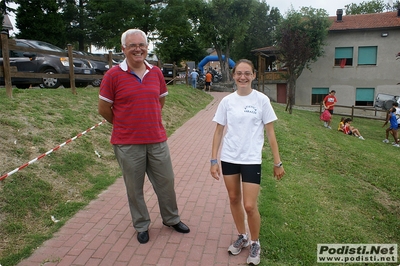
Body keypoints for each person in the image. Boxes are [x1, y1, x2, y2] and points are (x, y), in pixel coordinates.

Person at [98, 29, 190, 244]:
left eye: (142, 45)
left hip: (156, 139)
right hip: (127, 143)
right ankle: (141, 225)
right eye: (132, 45)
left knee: (166, 182)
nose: (138, 49)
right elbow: (103, 108)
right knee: (134, 187)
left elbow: (160, 101)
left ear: (147, 47)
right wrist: (123, 123)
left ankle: (171, 219)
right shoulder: (112, 75)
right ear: (123, 49)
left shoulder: (156, 72)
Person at [210, 59, 285, 265]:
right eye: (239, 73)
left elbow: (270, 134)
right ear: (234, 76)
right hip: (230, 158)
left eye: (247, 73)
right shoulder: (227, 101)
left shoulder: (261, 100)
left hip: (251, 159)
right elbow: (218, 131)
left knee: (250, 206)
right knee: (234, 198)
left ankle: (255, 242)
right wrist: (214, 160)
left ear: (253, 76)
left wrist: (277, 163)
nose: (242, 77)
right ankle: (242, 236)